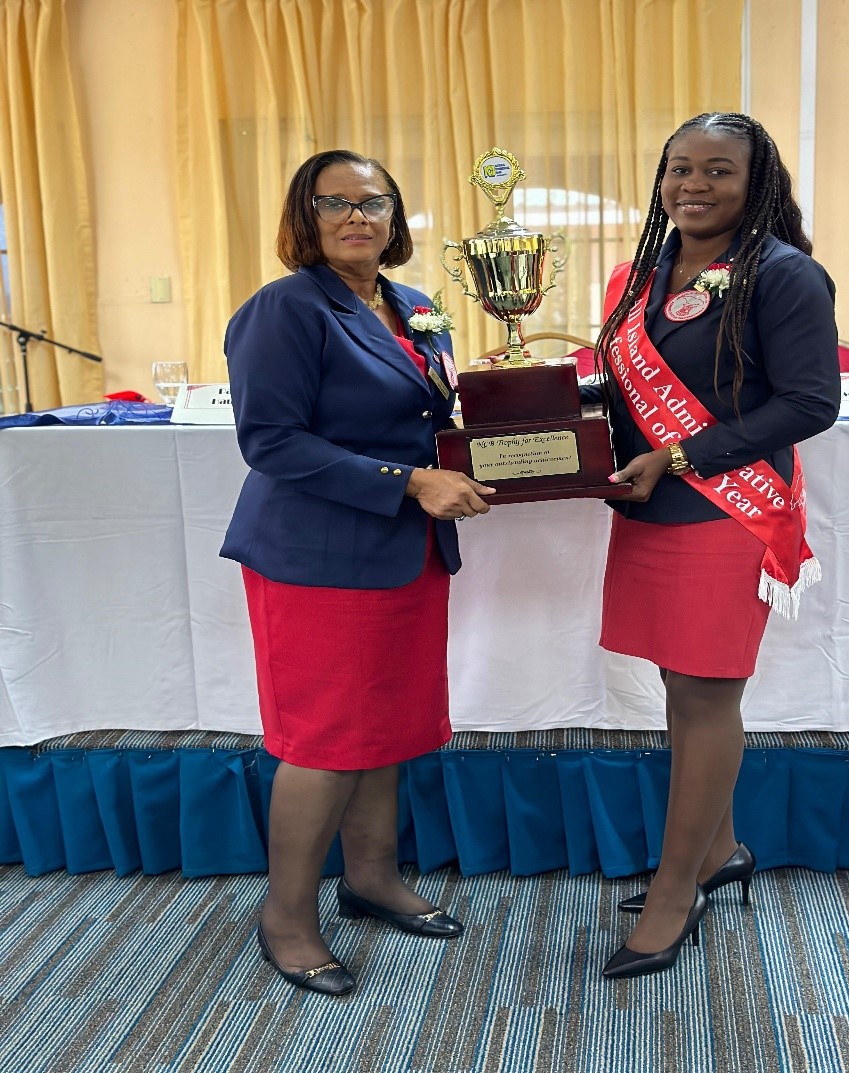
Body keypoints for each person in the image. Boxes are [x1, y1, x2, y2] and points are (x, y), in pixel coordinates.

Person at [220, 149, 495, 996]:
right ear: (306, 217)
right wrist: (410, 482)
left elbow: (426, 417)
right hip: (317, 555)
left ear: (395, 217)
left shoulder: (412, 306)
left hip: (404, 551)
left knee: (388, 725)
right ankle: (287, 919)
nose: (354, 216)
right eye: (333, 202)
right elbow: (271, 441)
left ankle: (371, 879)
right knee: (326, 739)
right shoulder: (285, 309)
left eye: (372, 202)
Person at [587, 113, 840, 979]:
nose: (692, 185)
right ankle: (719, 848)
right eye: (678, 170)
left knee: (704, 695)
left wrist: (682, 453)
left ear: (755, 180)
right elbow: (623, 387)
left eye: (717, 171)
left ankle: (674, 891)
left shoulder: (786, 276)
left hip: (725, 512)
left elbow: (810, 403)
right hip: (652, 509)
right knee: (679, 686)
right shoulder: (641, 273)